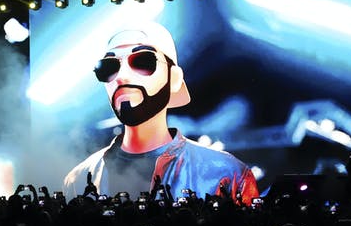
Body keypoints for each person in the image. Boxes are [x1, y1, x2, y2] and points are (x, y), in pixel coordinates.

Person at [63, 20, 260, 205]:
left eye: (142, 61)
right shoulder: (78, 180)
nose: (121, 76)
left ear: (174, 78)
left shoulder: (226, 174)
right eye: (108, 67)